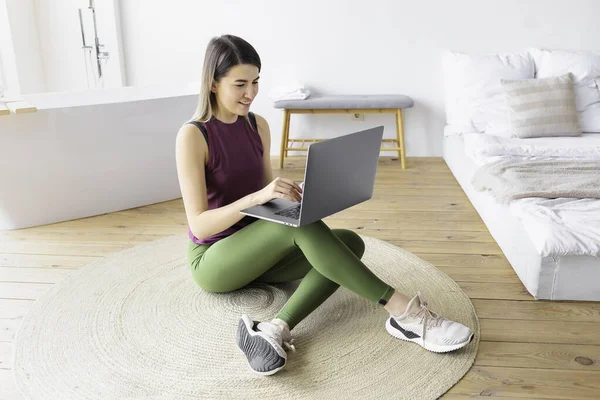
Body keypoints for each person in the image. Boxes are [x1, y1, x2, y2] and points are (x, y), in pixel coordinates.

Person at [175, 34, 474, 376]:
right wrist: (259, 198)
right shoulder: (193, 135)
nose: (251, 93)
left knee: (350, 243)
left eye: (256, 82)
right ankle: (404, 312)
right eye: (240, 84)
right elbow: (199, 225)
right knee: (306, 230)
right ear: (213, 83)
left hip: (258, 248)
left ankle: (275, 329)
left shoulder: (257, 126)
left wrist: (299, 195)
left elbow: (265, 194)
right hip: (215, 260)